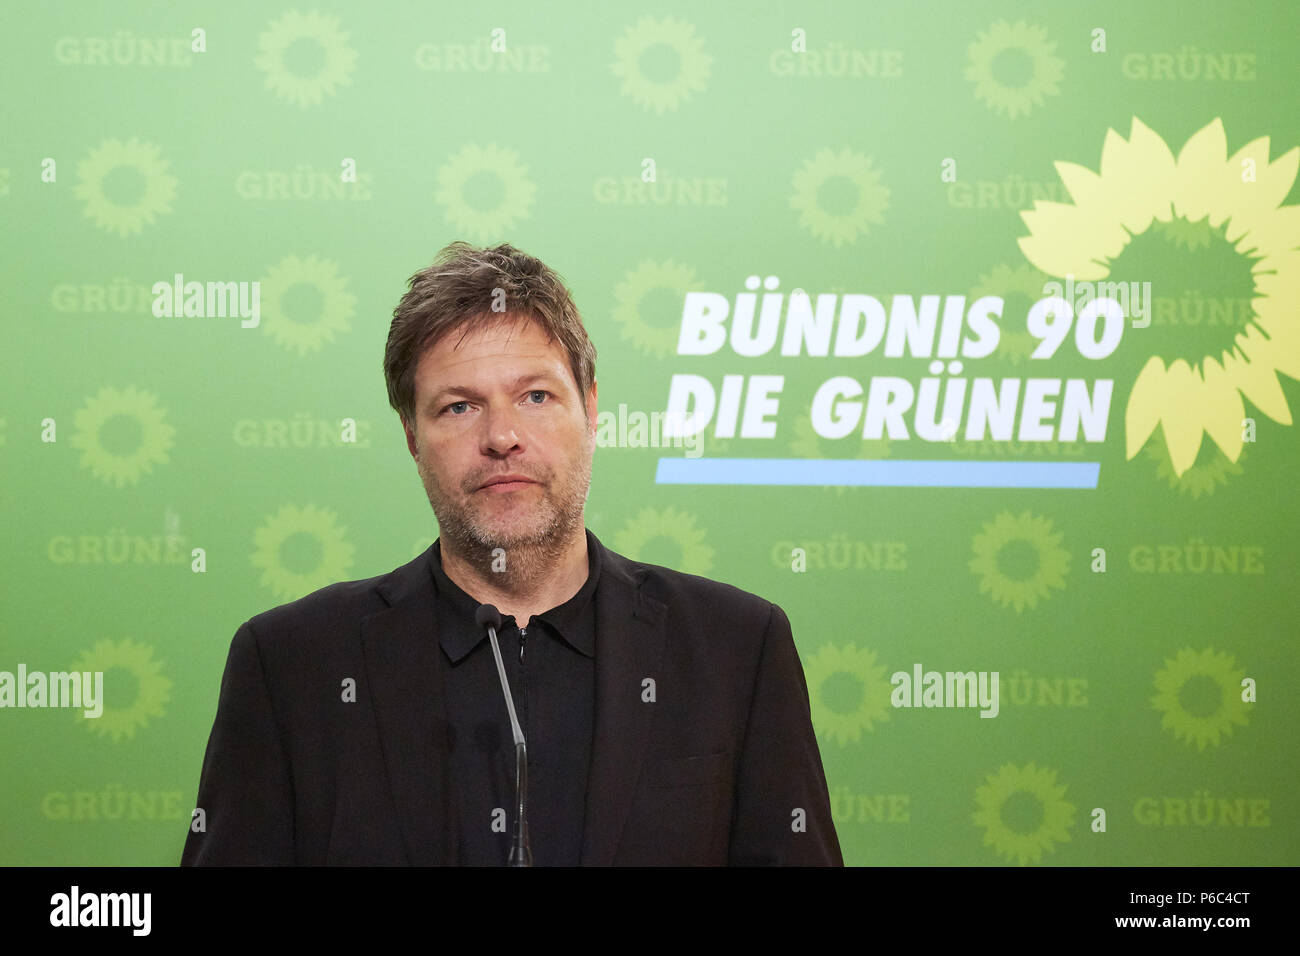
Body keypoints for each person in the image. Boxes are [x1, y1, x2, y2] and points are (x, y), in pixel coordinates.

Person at [181, 242, 842, 866]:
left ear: (590, 408)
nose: (503, 437)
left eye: (535, 396)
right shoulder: (289, 664)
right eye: (460, 406)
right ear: (413, 437)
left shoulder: (738, 650)